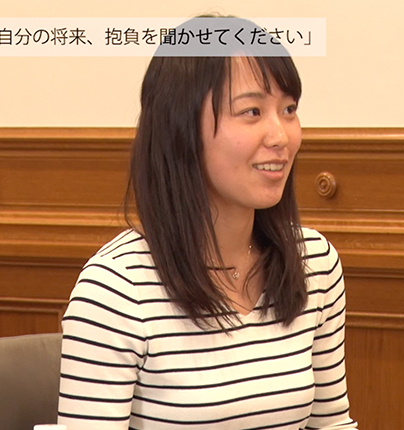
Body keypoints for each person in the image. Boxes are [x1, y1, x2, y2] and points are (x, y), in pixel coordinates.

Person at [57, 17, 358, 430]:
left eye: (288, 110)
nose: (280, 136)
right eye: (251, 111)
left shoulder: (314, 263)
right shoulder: (117, 286)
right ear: (181, 130)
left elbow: (331, 424)